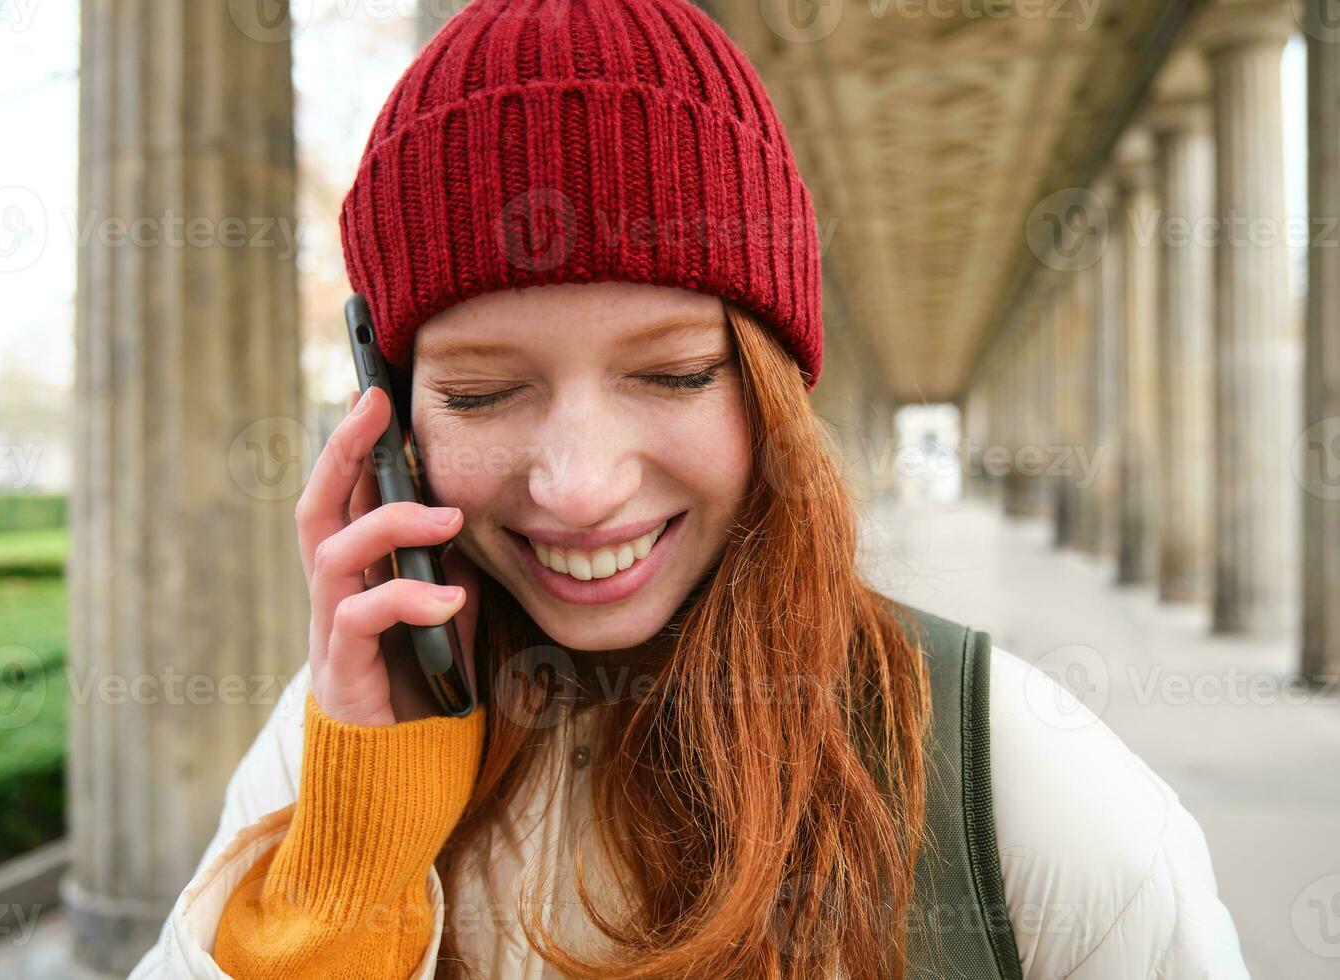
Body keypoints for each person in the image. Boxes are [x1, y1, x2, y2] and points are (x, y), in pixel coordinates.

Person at [131, 0, 1249, 977]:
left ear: (772, 390)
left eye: (671, 374)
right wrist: (343, 879)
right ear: (387, 417)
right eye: (479, 393)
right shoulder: (330, 741)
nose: (578, 486)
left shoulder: (1001, 766)